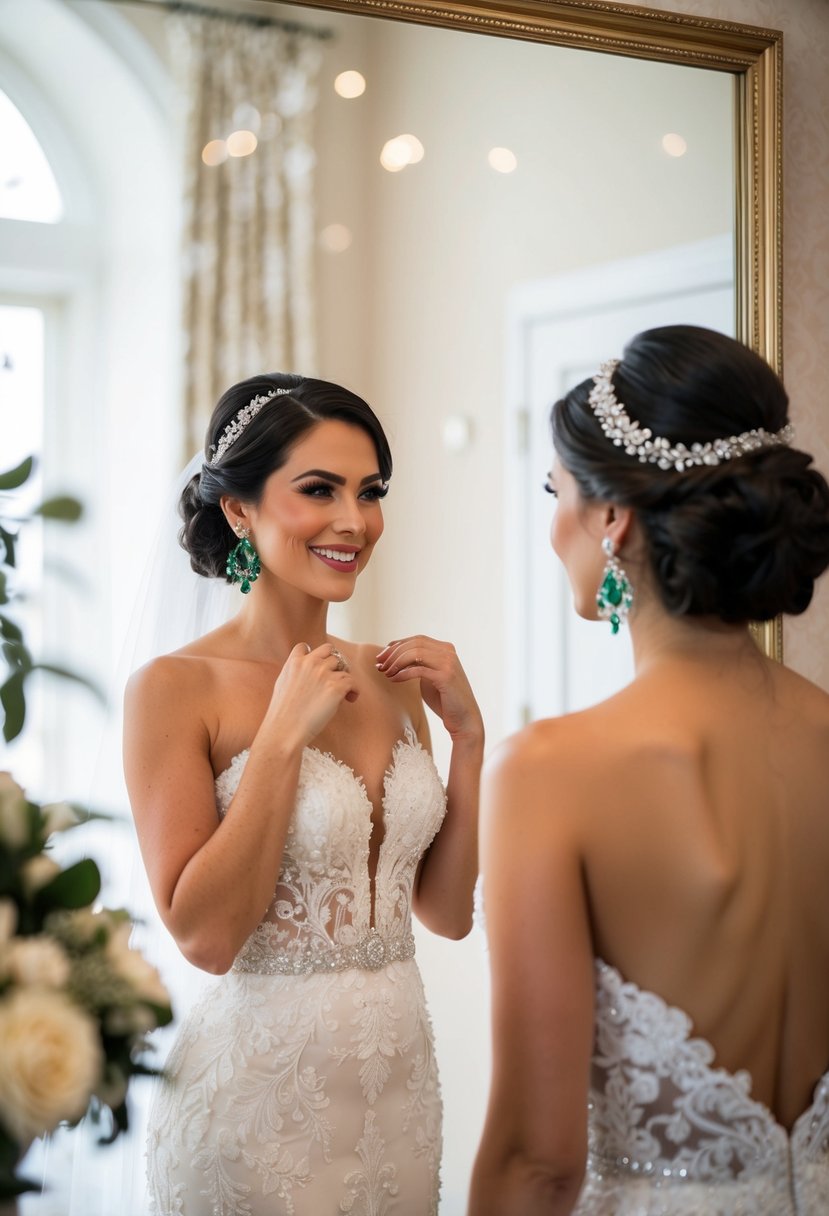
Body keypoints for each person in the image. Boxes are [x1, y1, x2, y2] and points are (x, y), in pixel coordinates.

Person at [468, 325, 829, 1216]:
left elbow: (535, 1161)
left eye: (554, 492)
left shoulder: (549, 773)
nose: (552, 525)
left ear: (611, 518)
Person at [123, 373, 483, 1216]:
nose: (353, 521)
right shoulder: (174, 689)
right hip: (253, 1112)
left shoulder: (392, 679)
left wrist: (467, 738)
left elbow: (445, 912)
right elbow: (205, 939)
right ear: (239, 509)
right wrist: (281, 738)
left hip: (400, 1100)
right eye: (317, 489)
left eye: (369, 492)